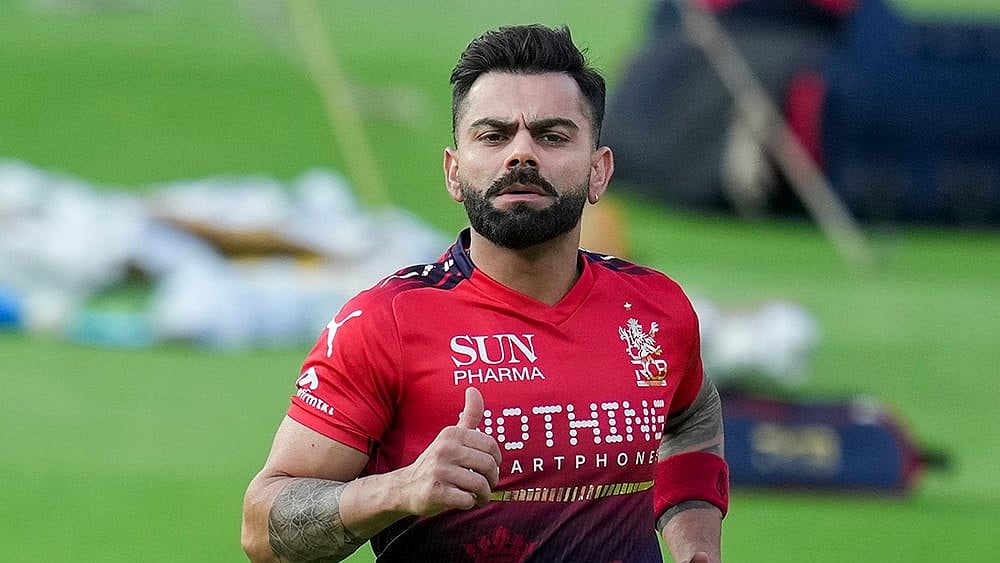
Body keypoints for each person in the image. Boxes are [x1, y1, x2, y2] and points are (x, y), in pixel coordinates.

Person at [241, 24, 728, 563]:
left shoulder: (655, 309)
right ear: (454, 173)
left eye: (552, 136)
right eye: (493, 136)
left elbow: (691, 416)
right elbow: (263, 527)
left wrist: (696, 547)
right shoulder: (387, 323)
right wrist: (399, 489)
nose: (521, 155)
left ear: (599, 171)